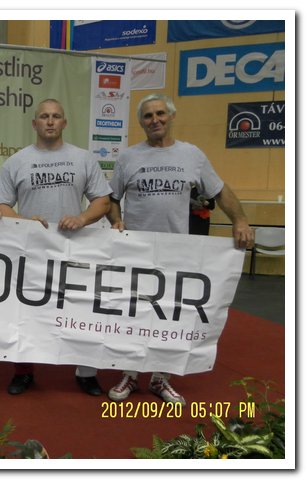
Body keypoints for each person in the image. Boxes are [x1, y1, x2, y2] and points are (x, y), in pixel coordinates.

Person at [106, 93, 254, 405]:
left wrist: (240, 220)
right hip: (137, 252)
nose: (155, 120)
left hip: (177, 253)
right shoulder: (128, 158)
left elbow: (220, 191)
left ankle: (161, 378)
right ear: (141, 122)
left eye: (160, 113)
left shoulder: (192, 155)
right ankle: (130, 374)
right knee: (133, 314)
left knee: (170, 316)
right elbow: (111, 198)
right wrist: (116, 220)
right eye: (148, 116)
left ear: (171, 116)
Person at [0, 98, 112, 396]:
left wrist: (82, 218)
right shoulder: (16, 162)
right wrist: (25, 222)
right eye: (44, 117)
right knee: (26, 312)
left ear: (64, 123)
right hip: (31, 251)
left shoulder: (83, 158)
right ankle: (23, 372)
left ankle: (86, 372)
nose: (49, 121)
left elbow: (103, 201)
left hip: (76, 250)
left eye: (56, 116)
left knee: (83, 310)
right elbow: (1, 205)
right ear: (34, 123)